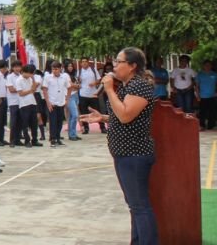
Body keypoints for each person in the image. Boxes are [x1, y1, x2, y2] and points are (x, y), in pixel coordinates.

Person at [79, 47, 159, 244]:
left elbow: (125, 115)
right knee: (134, 205)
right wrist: (103, 117)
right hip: (123, 153)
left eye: (118, 62)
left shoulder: (139, 86)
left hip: (134, 154)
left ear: (132, 66)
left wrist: (108, 90)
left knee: (140, 206)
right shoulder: (126, 86)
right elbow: (123, 115)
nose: (114, 66)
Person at [42, 61, 71, 147]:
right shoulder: (48, 77)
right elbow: (44, 90)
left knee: (59, 122)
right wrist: (48, 102)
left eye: (56, 69)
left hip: (61, 102)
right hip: (52, 102)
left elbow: (69, 88)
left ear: (60, 68)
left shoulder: (64, 77)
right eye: (53, 69)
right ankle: (53, 139)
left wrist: (67, 99)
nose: (54, 71)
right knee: (53, 122)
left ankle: (58, 138)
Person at [15, 64, 40, 147]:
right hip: (24, 104)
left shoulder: (30, 79)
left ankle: (35, 140)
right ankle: (27, 140)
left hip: (32, 102)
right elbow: (21, 93)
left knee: (34, 123)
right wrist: (30, 90)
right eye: (31, 73)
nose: (31, 75)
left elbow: (34, 90)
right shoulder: (19, 80)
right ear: (25, 72)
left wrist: (33, 80)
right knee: (25, 123)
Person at [77, 57, 103, 134]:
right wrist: (79, 81)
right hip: (83, 94)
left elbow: (99, 80)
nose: (84, 63)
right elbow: (77, 82)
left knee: (98, 110)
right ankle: (86, 128)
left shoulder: (93, 70)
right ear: (81, 63)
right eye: (83, 62)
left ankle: (102, 127)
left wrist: (94, 83)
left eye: (85, 61)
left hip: (93, 94)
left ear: (88, 62)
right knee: (84, 112)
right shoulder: (79, 71)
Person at [196, 60, 217, 130]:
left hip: (212, 96)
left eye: (209, 65)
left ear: (211, 66)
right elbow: (197, 86)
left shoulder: (214, 74)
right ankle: (202, 126)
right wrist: (197, 95)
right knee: (202, 112)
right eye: (206, 65)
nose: (207, 66)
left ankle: (211, 126)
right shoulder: (200, 74)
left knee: (212, 112)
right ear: (203, 66)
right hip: (203, 96)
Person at [5, 61, 24, 147]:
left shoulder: (22, 77)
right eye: (15, 67)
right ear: (12, 68)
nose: (17, 69)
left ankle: (17, 139)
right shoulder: (9, 77)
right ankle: (12, 140)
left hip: (21, 101)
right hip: (13, 102)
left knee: (20, 121)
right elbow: (11, 89)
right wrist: (20, 89)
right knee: (13, 121)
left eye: (19, 67)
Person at [64, 61, 82, 141]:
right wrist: (77, 86)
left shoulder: (73, 75)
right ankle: (71, 134)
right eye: (68, 66)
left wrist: (77, 86)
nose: (70, 67)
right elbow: (71, 85)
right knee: (75, 115)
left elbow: (77, 85)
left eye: (71, 66)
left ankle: (73, 134)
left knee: (72, 116)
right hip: (69, 96)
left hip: (75, 95)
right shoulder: (65, 75)